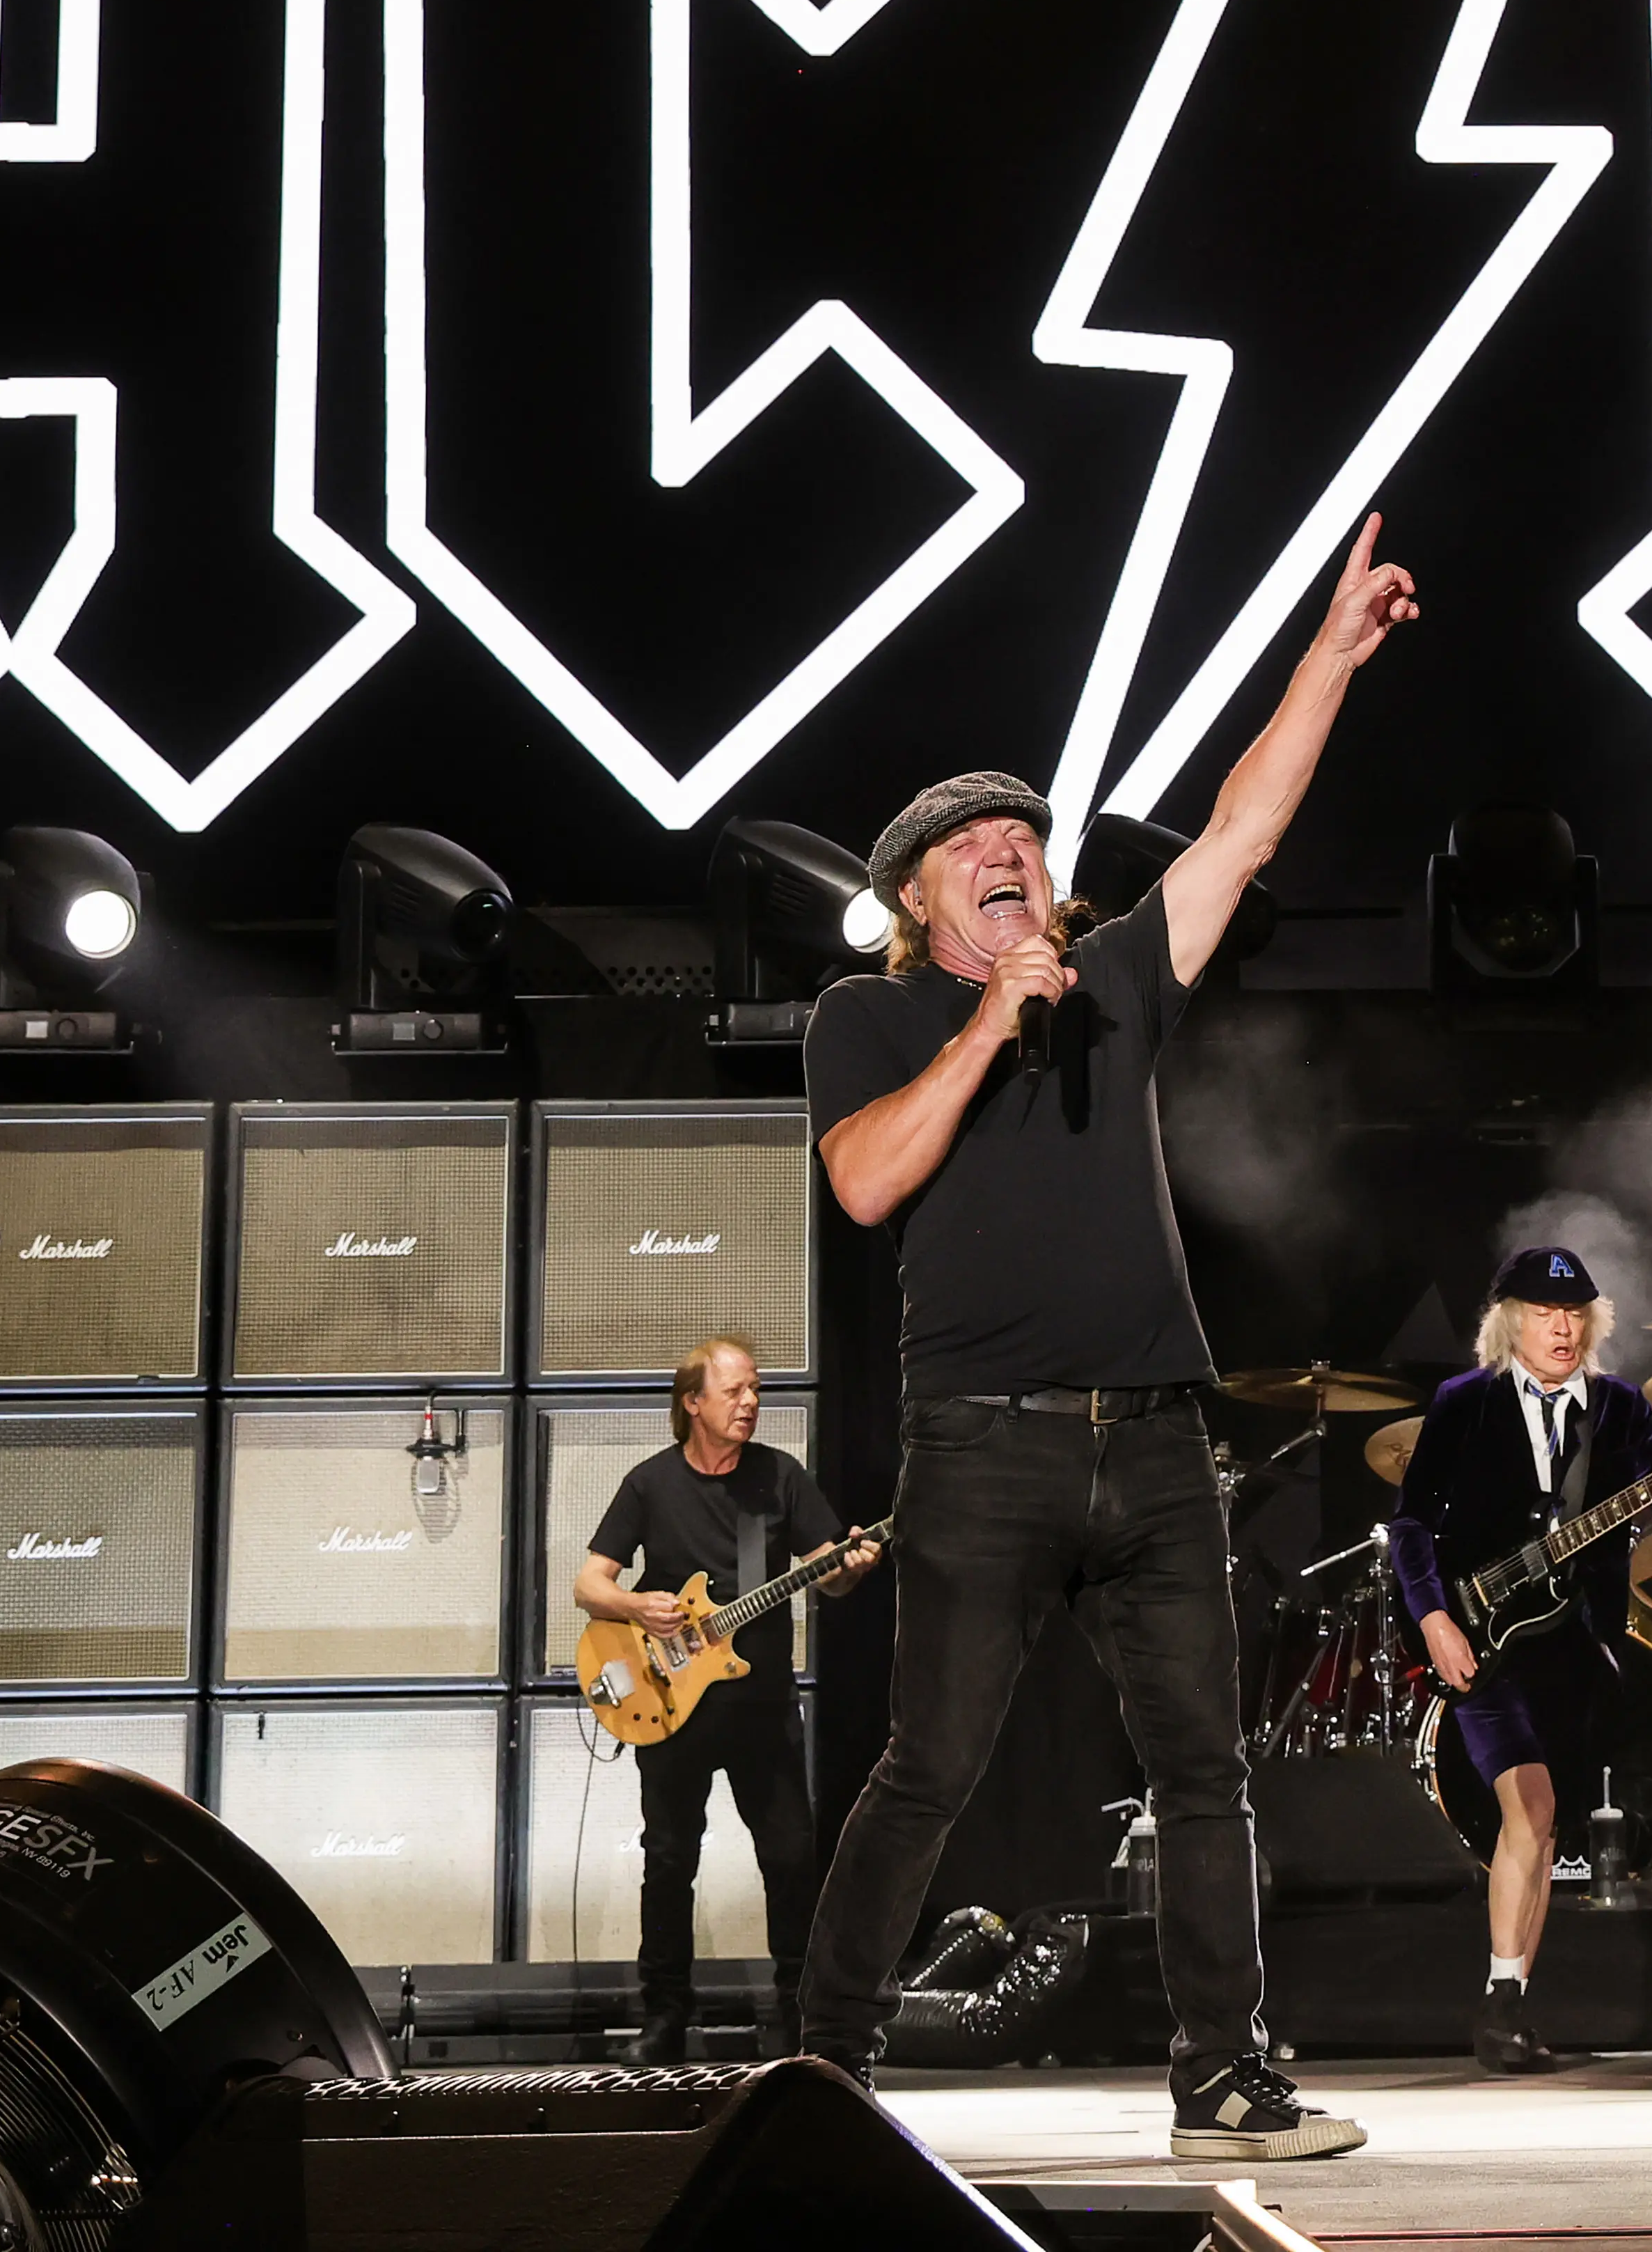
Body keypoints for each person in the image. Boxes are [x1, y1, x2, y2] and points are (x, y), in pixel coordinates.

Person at [792, 515, 1420, 2160]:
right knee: (925, 1769)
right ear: (921, 900)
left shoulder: (1125, 976)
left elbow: (1244, 823)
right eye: (975, 843)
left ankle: (1223, 2078)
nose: (1014, 847)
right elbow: (862, 1183)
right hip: (981, 1444)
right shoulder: (871, 1015)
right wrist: (994, 1023)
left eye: (1028, 832)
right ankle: (823, 2071)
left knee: (1205, 1771)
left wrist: (1333, 657)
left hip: (1151, 1435)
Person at [1389, 1247, 1652, 2072]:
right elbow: (1410, 1527)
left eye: (1577, 1313)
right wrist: (1434, 1616)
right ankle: (1498, 2005)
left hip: (1579, 1646)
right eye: (1547, 1313)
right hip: (1486, 1642)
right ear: (1510, 1319)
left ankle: (1508, 2004)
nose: (1562, 1326)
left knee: (1545, 1824)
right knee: (1529, 1804)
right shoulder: (1463, 1403)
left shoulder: (1617, 1408)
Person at [572, 1335, 881, 2060]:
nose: (749, 1403)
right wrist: (637, 1608)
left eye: (755, 1390)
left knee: (790, 1860)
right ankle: (664, 2018)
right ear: (693, 1402)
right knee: (669, 1859)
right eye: (735, 1390)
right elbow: (588, 1583)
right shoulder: (650, 1483)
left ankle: (800, 2021)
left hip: (762, 1707)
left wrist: (850, 1566)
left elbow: (825, 1572)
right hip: (670, 1707)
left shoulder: (778, 1478)